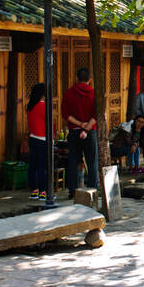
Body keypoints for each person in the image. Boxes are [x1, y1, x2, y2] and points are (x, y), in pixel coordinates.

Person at [61, 67, 99, 197]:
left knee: (73, 161)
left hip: (74, 132)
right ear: (90, 79)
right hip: (90, 132)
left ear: (76, 78)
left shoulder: (68, 93)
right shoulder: (94, 93)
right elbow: (97, 115)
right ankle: (92, 189)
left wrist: (80, 125)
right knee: (92, 162)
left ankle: (72, 191)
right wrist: (86, 128)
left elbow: (66, 115)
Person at [25, 82, 49, 200]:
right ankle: (43, 191)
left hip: (33, 137)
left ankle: (34, 190)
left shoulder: (30, 106)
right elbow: (49, 123)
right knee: (42, 166)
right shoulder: (44, 106)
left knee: (33, 165)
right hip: (42, 139)